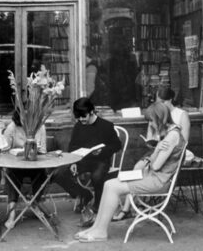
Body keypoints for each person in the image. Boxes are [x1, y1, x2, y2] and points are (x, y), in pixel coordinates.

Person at [74, 101, 185, 243]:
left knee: (113, 187)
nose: (150, 124)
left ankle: (101, 232)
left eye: (151, 121)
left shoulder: (172, 136)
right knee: (108, 184)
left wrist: (156, 150)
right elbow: (151, 162)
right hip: (152, 176)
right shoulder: (169, 132)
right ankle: (96, 227)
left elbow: (155, 166)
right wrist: (155, 152)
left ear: (160, 118)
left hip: (158, 181)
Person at [53, 98, 122, 216]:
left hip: (101, 161)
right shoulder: (79, 126)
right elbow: (73, 146)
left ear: (91, 112)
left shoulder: (106, 126)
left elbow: (117, 145)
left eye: (83, 116)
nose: (80, 119)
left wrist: (103, 150)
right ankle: (84, 194)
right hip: (82, 160)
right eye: (78, 117)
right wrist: (73, 162)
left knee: (97, 176)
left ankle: (98, 204)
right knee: (58, 174)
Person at [1, 109, 47, 229]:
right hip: (17, 165)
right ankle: (12, 214)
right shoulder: (12, 128)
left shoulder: (40, 127)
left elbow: (44, 151)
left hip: (35, 165)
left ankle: (34, 203)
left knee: (43, 175)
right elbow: (3, 150)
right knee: (11, 176)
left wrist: (36, 151)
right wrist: (17, 153)